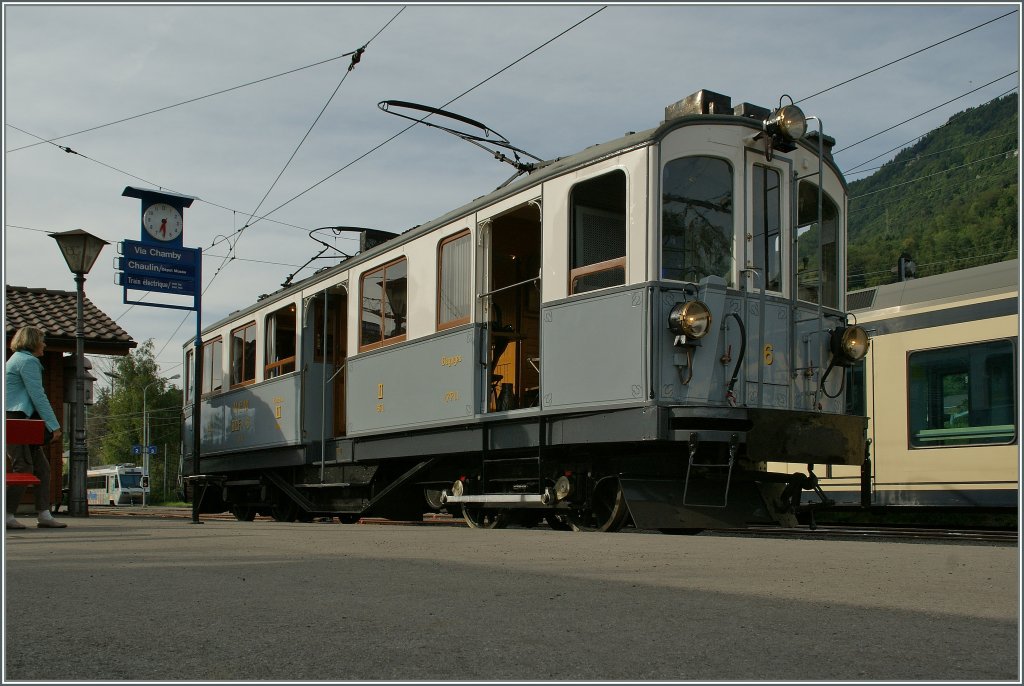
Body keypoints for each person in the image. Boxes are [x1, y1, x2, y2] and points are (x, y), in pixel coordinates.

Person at [6, 326, 66, 529]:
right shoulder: (28, 361)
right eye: (42, 340)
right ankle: (6, 514)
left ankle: (44, 514)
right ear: (32, 342)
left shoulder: (16, 360)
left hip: (21, 419)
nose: (45, 344)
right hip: (15, 419)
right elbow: (37, 395)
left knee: (42, 468)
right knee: (23, 467)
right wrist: (54, 426)